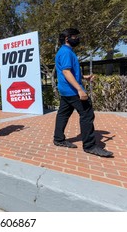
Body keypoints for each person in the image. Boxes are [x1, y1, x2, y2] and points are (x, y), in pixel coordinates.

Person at [53, 28, 113, 157]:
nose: (77, 38)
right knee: (87, 115)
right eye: (74, 36)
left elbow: (70, 72)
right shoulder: (66, 52)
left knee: (63, 114)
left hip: (66, 90)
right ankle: (90, 146)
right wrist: (80, 89)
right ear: (67, 38)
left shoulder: (66, 51)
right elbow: (66, 72)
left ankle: (58, 139)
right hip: (73, 91)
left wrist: (84, 77)